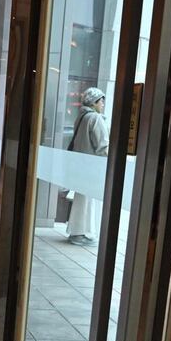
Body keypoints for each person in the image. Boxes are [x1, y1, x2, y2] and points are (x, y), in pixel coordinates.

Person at [67, 87, 109, 246]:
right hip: (92, 166)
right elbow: (103, 146)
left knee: (81, 199)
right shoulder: (95, 119)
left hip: (80, 165)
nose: (103, 103)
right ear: (94, 102)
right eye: (101, 100)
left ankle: (76, 231)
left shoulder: (81, 116)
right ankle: (83, 233)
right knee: (89, 201)